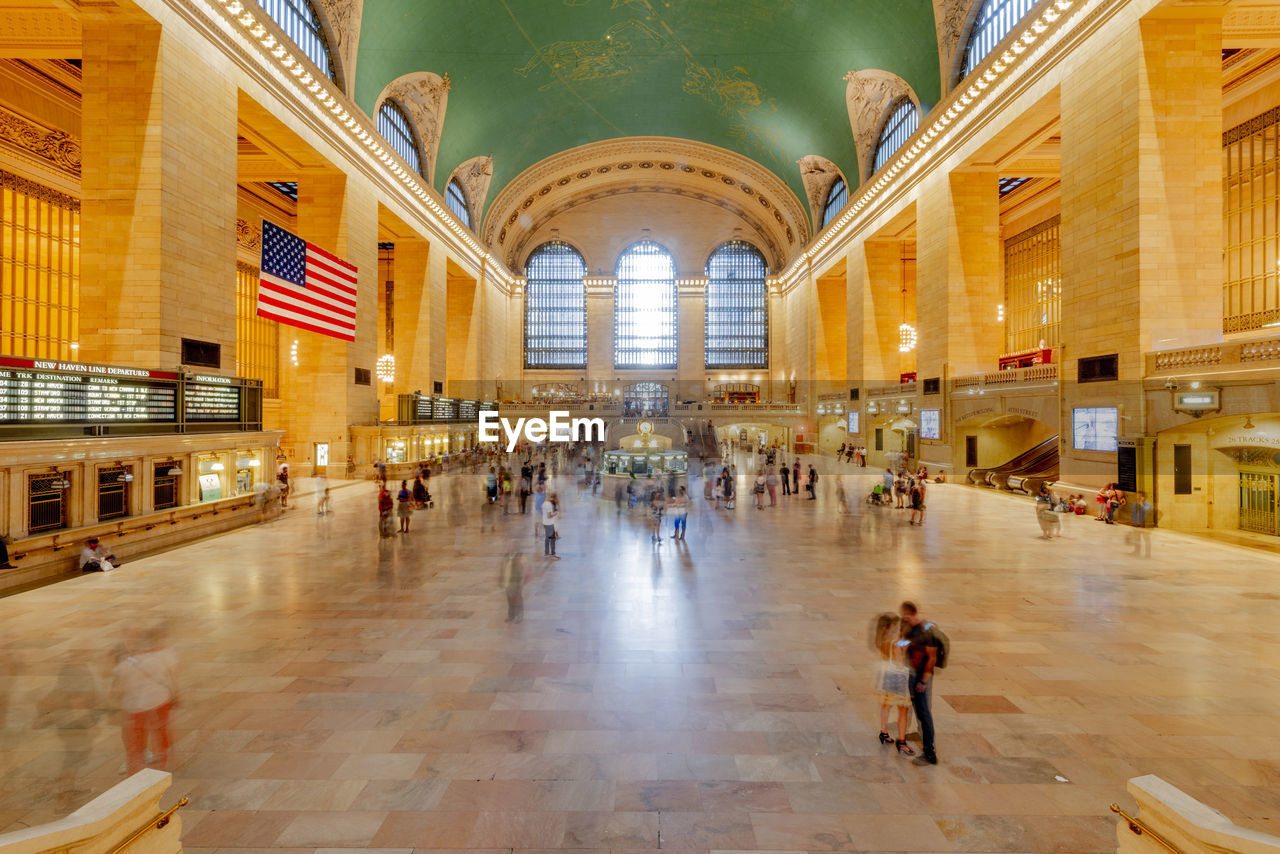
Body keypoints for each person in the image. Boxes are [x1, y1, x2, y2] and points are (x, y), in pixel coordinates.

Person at [112, 626, 178, 774]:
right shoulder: (157, 657)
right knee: (160, 731)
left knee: (137, 735)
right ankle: (164, 764)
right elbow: (169, 674)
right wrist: (175, 693)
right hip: (158, 700)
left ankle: (137, 767)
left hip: (136, 705)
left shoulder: (126, 664)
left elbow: (118, 689)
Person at [901, 601, 941, 765]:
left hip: (921, 678)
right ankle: (922, 738)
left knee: (924, 713)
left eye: (905, 615)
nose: (903, 618)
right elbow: (904, 642)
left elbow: (931, 659)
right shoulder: (910, 628)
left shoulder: (927, 632)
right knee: (919, 710)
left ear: (912, 613)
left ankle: (930, 752)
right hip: (912, 674)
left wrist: (923, 681)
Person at [871, 614, 914, 756]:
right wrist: (907, 649)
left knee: (886, 705)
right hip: (898, 679)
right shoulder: (897, 643)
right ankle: (901, 742)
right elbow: (900, 663)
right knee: (903, 710)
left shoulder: (883, 640)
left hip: (886, 677)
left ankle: (883, 732)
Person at [500, 551, 529, 623]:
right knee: (510, 599)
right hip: (508, 582)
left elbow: (525, 567)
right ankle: (511, 616)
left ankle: (519, 616)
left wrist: (523, 578)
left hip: (517, 582)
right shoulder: (506, 555)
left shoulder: (520, 555)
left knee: (518, 599)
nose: (509, 547)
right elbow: (503, 568)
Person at [1128, 492, 1153, 557]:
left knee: (1146, 539)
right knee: (1137, 539)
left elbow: (1146, 511)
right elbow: (1133, 513)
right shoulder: (1135, 504)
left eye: (1140, 496)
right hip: (1136, 523)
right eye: (1137, 496)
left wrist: (1141, 504)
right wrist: (1132, 522)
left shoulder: (1148, 504)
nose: (1138, 497)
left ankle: (1147, 554)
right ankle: (1136, 552)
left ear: (1144, 497)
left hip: (1145, 525)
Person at [542, 493, 560, 559]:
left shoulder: (544, 503)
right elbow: (549, 516)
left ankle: (546, 553)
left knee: (547, 538)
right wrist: (555, 513)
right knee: (552, 539)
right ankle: (553, 554)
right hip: (550, 523)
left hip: (545, 523)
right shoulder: (549, 505)